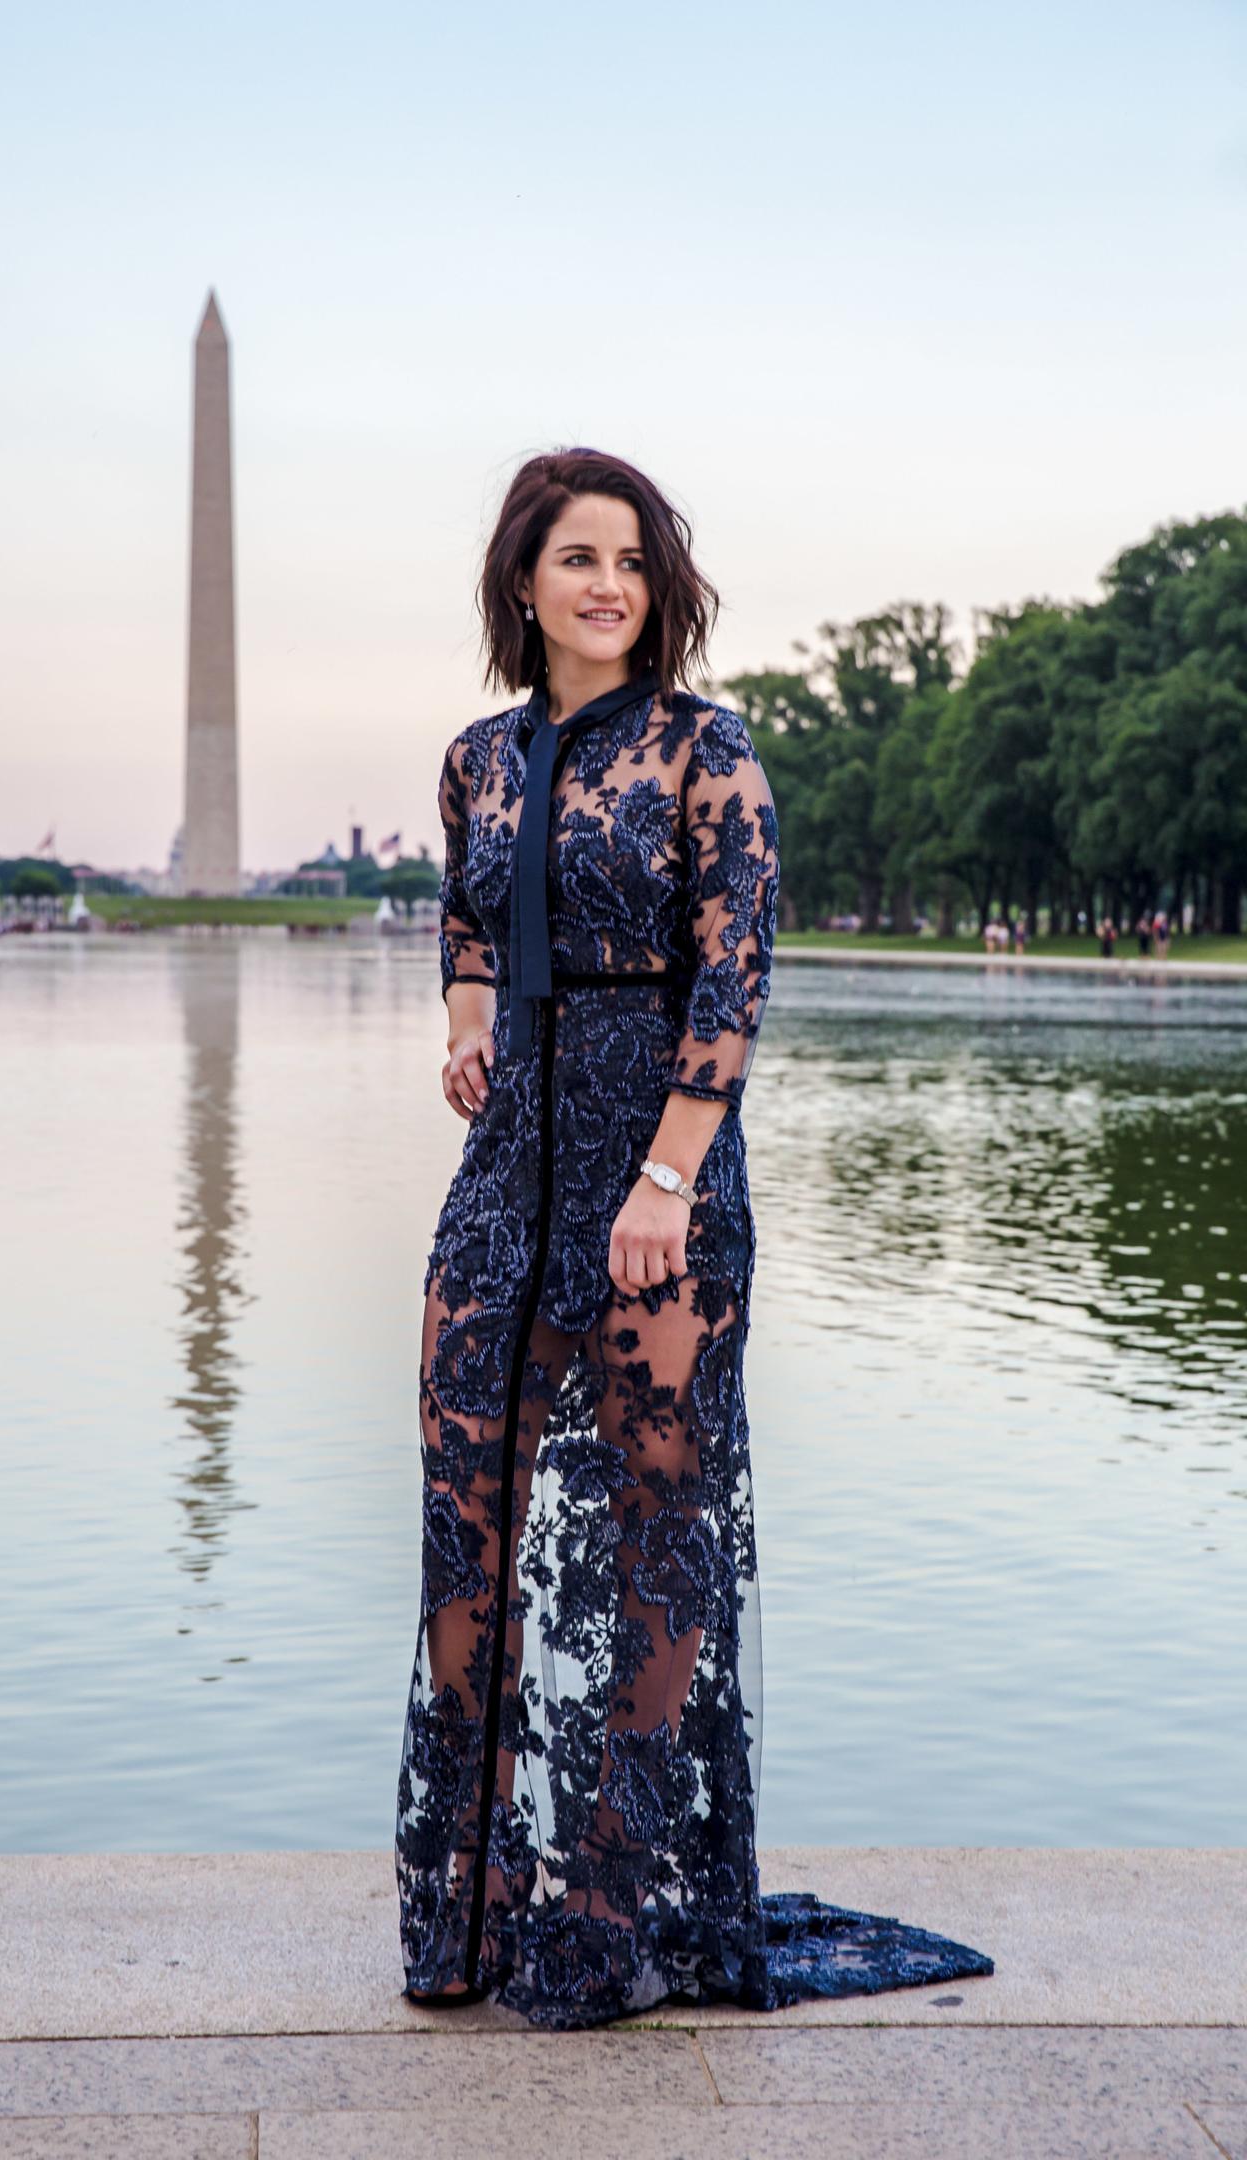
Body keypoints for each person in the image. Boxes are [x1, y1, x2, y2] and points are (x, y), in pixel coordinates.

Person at [393, 446, 995, 2029]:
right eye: (580, 558)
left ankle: (610, 1926)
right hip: (501, 1183)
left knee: (657, 1546)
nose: (609, 585)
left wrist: (662, 1184)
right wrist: (463, 1020)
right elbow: (468, 921)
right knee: (474, 1530)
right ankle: (462, 1921)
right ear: (522, 582)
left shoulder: (704, 752)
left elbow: (735, 978)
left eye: (634, 562)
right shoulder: (478, 760)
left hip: (657, 1177)